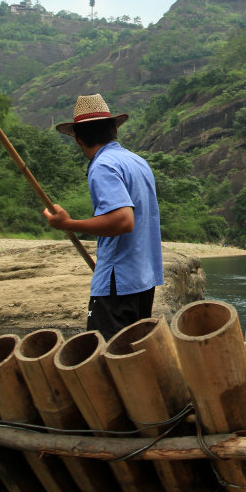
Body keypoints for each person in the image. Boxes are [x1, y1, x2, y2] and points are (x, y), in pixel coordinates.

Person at [44, 93, 163, 339]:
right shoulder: (137, 161)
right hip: (143, 281)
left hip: (117, 284)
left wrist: (67, 224)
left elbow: (123, 220)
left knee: (108, 362)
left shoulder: (102, 166)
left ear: (78, 139)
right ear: (114, 131)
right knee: (134, 357)